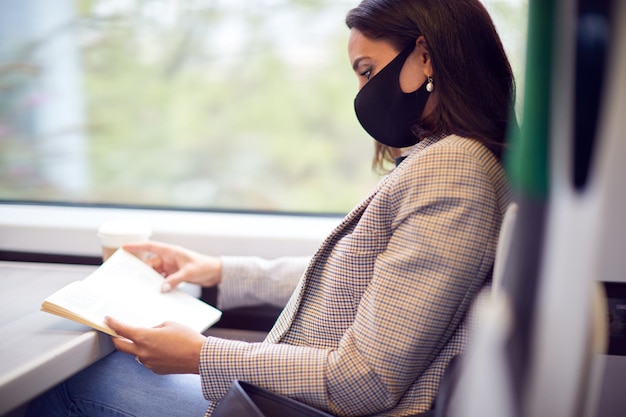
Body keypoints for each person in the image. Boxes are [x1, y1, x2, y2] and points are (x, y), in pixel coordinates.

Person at [26, 0, 515, 416]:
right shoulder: (459, 159)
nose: (364, 93)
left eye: (367, 71)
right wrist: (216, 271)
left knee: (66, 387)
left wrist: (201, 355)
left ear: (425, 56)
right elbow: (361, 281)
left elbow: (365, 379)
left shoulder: (454, 169)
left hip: (304, 409)